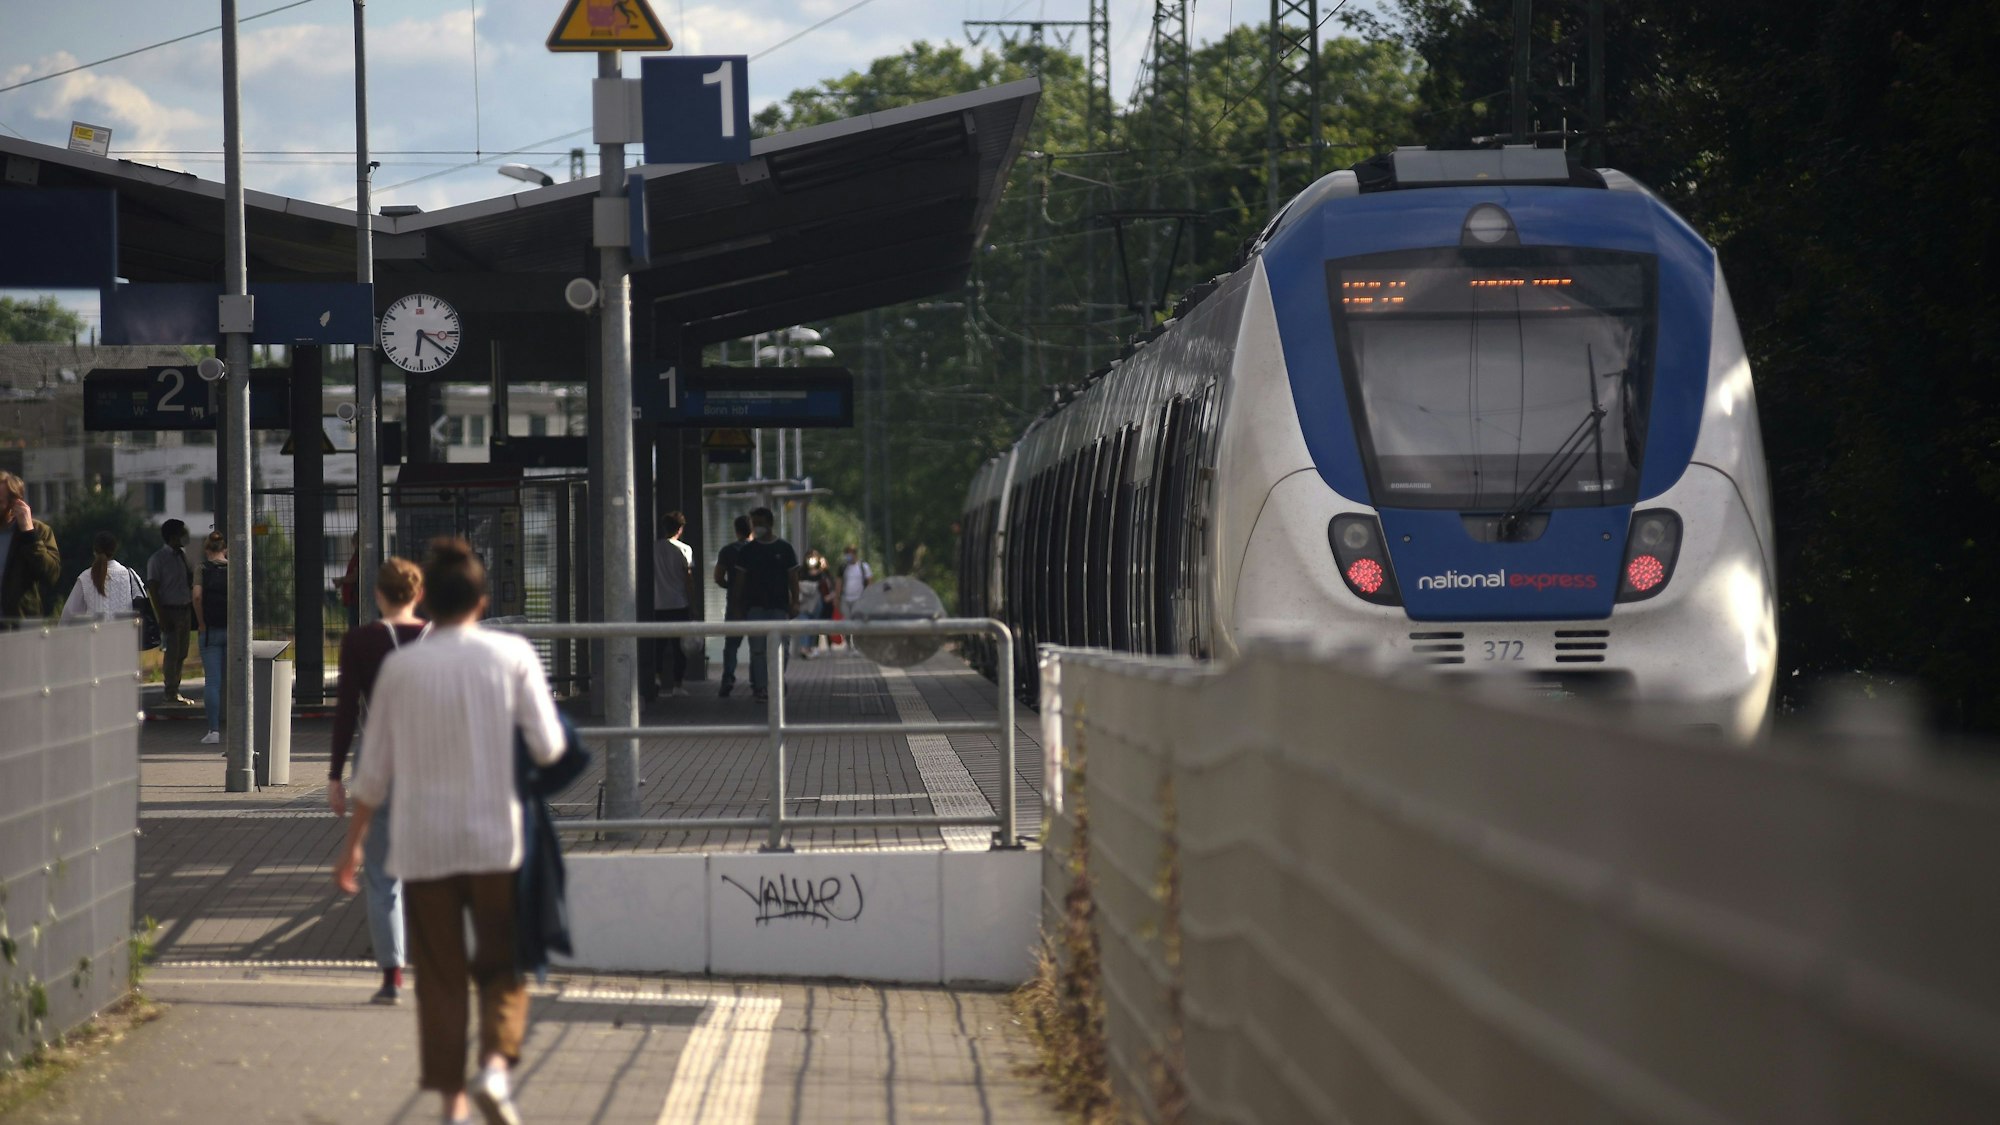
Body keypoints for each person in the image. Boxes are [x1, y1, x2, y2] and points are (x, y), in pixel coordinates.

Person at [334, 537, 565, 1125]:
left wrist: (353, 846)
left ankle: (452, 1105)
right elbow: (549, 747)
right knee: (502, 963)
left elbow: (374, 772)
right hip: (496, 842)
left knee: (439, 976)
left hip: (424, 846)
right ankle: (494, 1069)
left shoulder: (401, 669)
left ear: (429, 602)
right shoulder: (512, 655)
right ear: (482, 603)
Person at [328, 557, 430, 1006]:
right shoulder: (440, 640)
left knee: (382, 875)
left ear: (377, 595)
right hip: (434, 768)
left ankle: (392, 975)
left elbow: (346, 711)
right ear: (418, 594)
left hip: (380, 764)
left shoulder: (361, 641)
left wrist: (334, 775)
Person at [737, 507, 800, 703]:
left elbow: (793, 577)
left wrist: (795, 601)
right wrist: (738, 606)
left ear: (770, 524)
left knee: (782, 648)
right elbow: (740, 580)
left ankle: (777, 680)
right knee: (758, 650)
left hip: (779, 606)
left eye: (760, 523)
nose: (757, 527)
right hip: (755, 607)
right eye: (754, 524)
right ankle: (762, 687)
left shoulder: (784, 549)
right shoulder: (747, 551)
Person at [146, 519, 197, 704]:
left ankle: (176, 689)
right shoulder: (158, 559)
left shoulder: (182, 556)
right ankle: (170, 691)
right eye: (182, 533)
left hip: (185, 610)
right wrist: (161, 616)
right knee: (172, 654)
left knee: (182, 652)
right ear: (173, 536)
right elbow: (153, 588)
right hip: (170, 611)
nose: (185, 537)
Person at [0, 470, 61, 628]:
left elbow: (50, 574)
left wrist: (29, 535)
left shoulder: (38, 531)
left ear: (15, 503)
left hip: (19, 627)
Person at [651, 509, 694, 697]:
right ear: (680, 528)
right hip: (679, 604)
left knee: (658, 646)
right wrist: (693, 604)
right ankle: (677, 684)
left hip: (657, 604)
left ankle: (657, 680)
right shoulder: (684, 549)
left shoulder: (653, 548)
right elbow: (688, 579)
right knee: (679, 648)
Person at [192, 532, 229, 745]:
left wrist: (201, 623)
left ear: (207, 550)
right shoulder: (235, 568)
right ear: (225, 550)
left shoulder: (202, 568)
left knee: (213, 682)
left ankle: (214, 731)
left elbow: (197, 596)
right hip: (234, 632)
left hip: (210, 631)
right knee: (239, 680)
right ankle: (243, 729)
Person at [61, 531, 142, 624]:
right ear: (114, 550)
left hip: (95, 632)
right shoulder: (129, 575)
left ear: (94, 551)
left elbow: (68, 615)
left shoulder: (85, 577)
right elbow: (143, 604)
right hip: (125, 632)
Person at [712, 514, 752, 698]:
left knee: (731, 646)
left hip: (735, 604)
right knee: (757, 646)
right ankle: (758, 682)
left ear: (736, 530)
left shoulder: (728, 551)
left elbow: (718, 577)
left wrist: (730, 585)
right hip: (755, 604)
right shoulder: (757, 549)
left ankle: (728, 678)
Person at [797, 550, 834, 657]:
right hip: (804, 603)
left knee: (815, 626)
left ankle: (811, 647)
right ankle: (804, 648)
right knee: (804, 625)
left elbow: (830, 586)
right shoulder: (801, 572)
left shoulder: (823, 573)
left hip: (818, 603)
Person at [337, 530, 361, 631]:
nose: (352, 542)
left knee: (354, 629)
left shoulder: (359, 556)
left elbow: (356, 576)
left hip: (355, 600)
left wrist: (341, 580)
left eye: (354, 540)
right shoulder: (357, 556)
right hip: (353, 599)